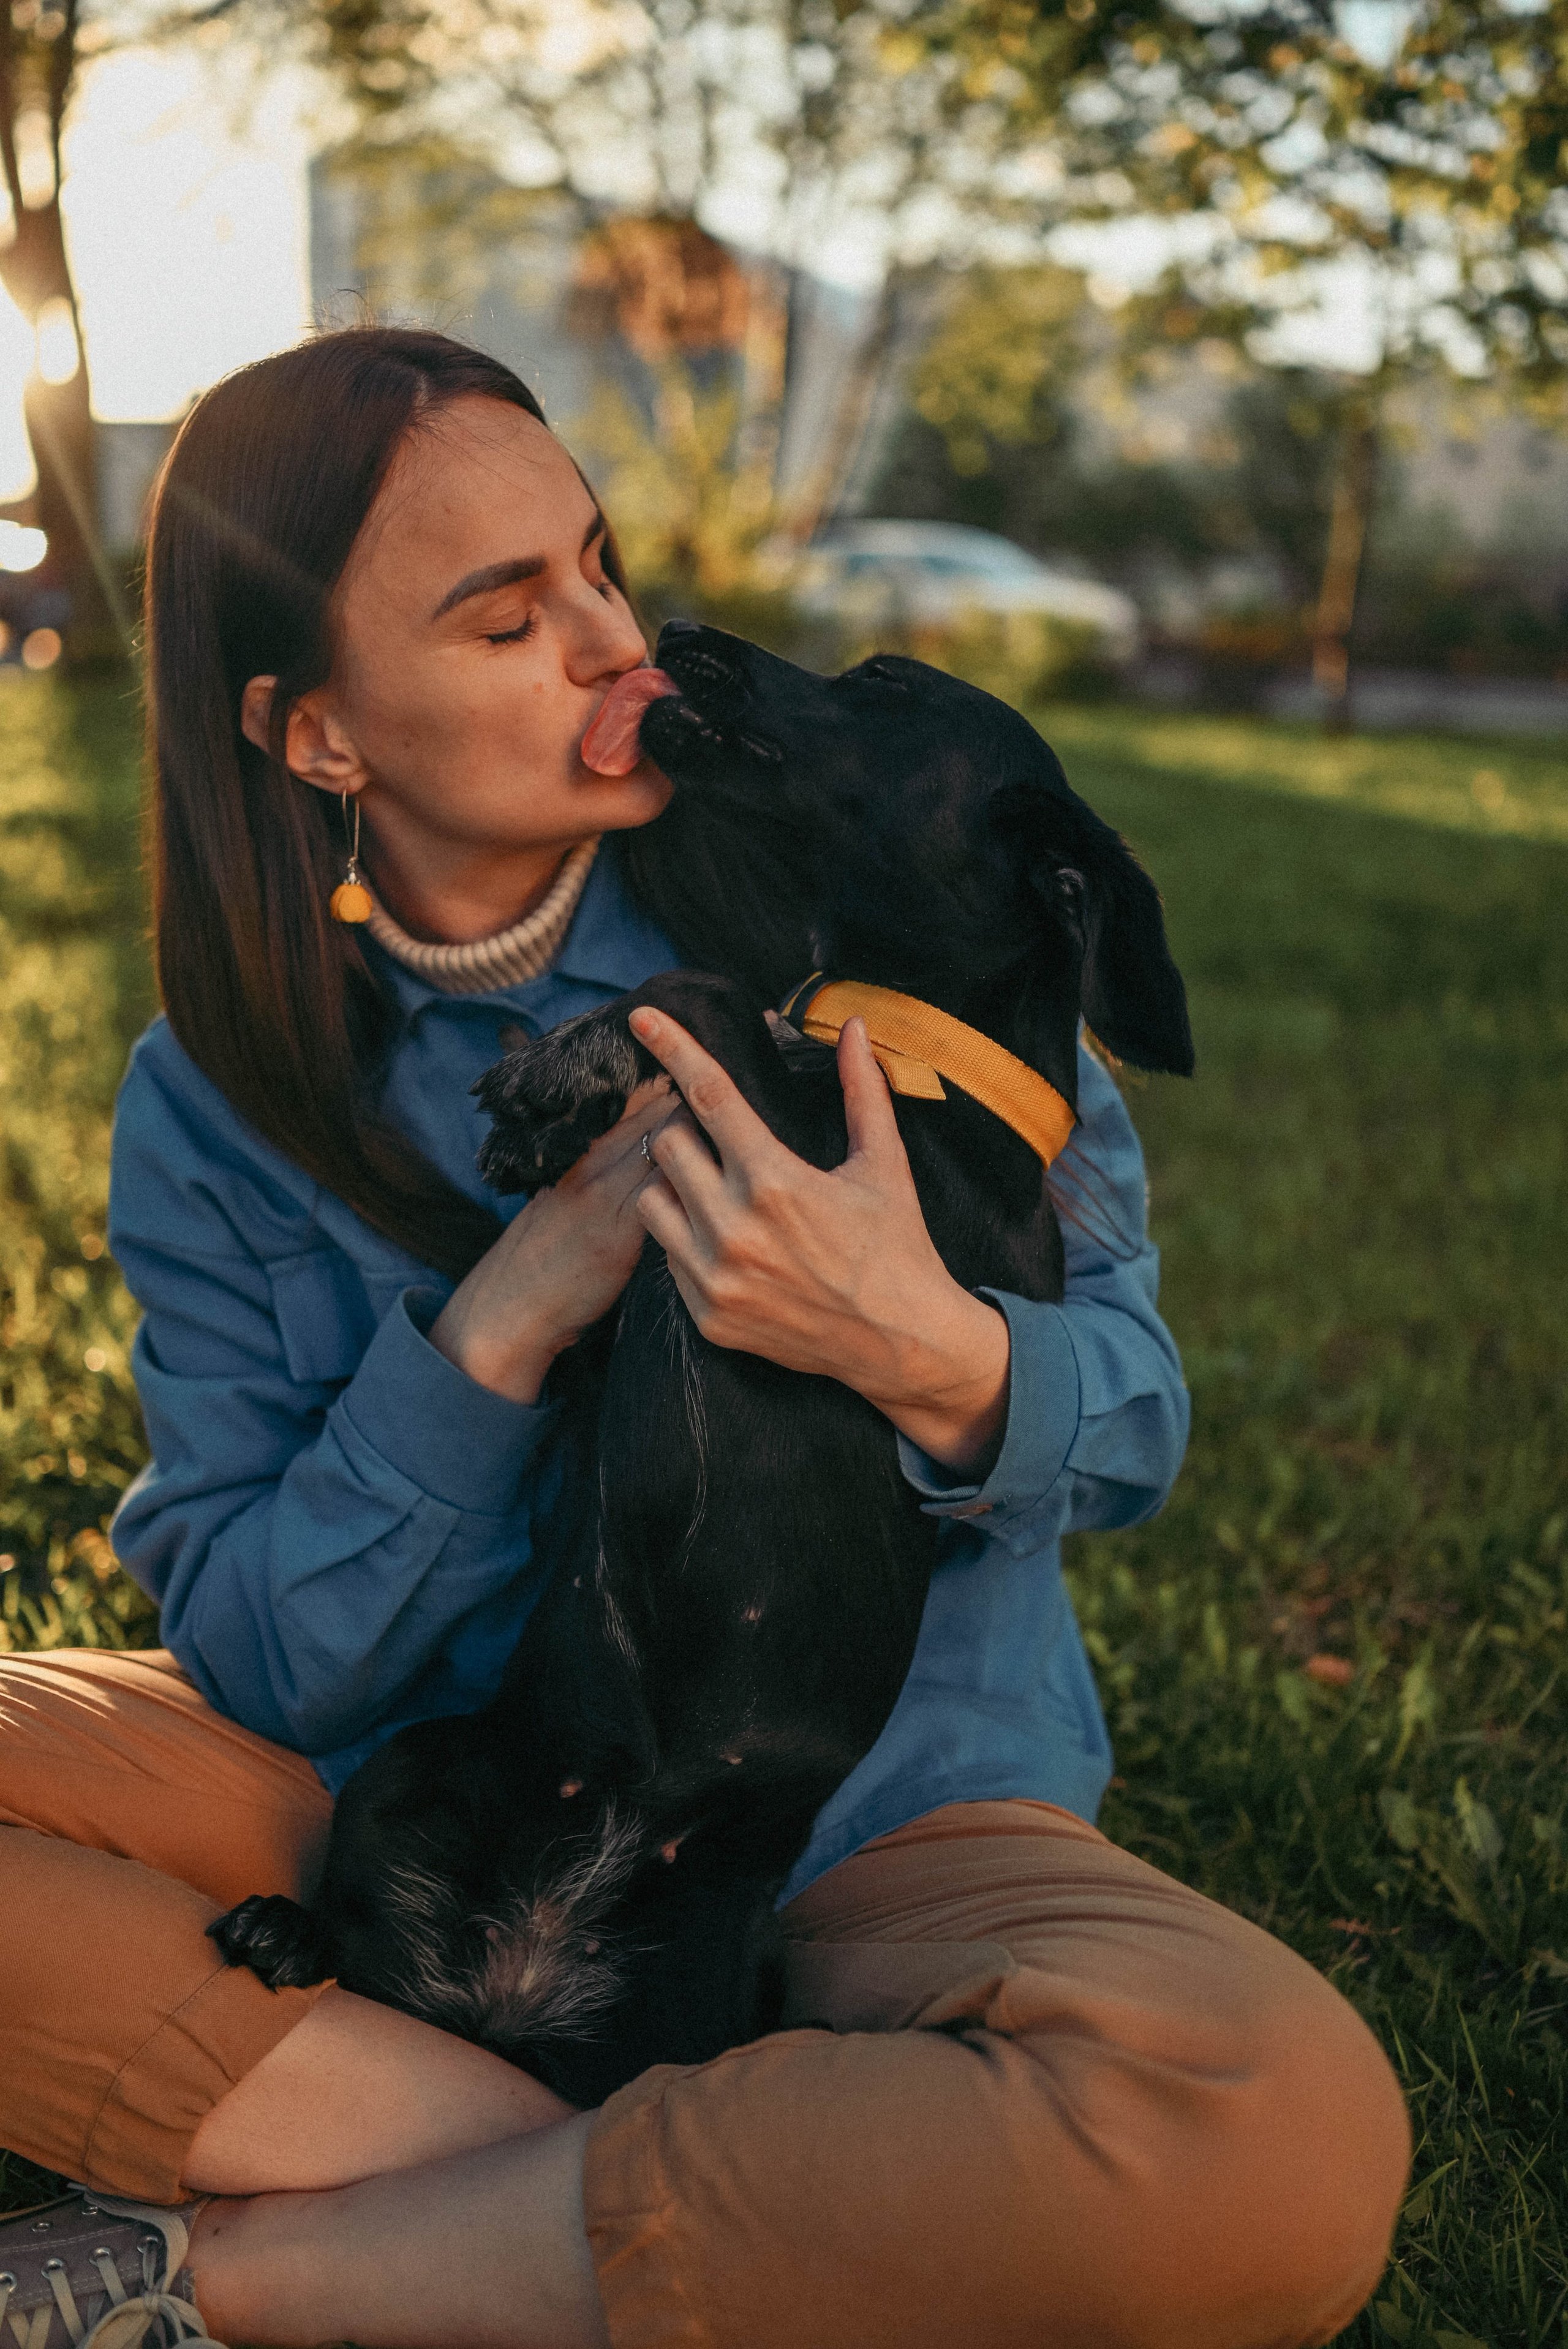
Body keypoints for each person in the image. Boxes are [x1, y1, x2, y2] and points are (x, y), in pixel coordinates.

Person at [0, 327, 1409, 2349]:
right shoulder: (217, 1094)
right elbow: (256, 1644)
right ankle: (763, 2189)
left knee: (1278, 2132)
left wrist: (930, 1347)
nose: (615, 644)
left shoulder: (879, 906)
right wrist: (504, 1314)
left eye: (601, 562)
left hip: (876, 1824)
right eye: (510, 618)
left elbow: (1140, 1412)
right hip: (419, 1789)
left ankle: (238, 2266)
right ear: (316, 735)